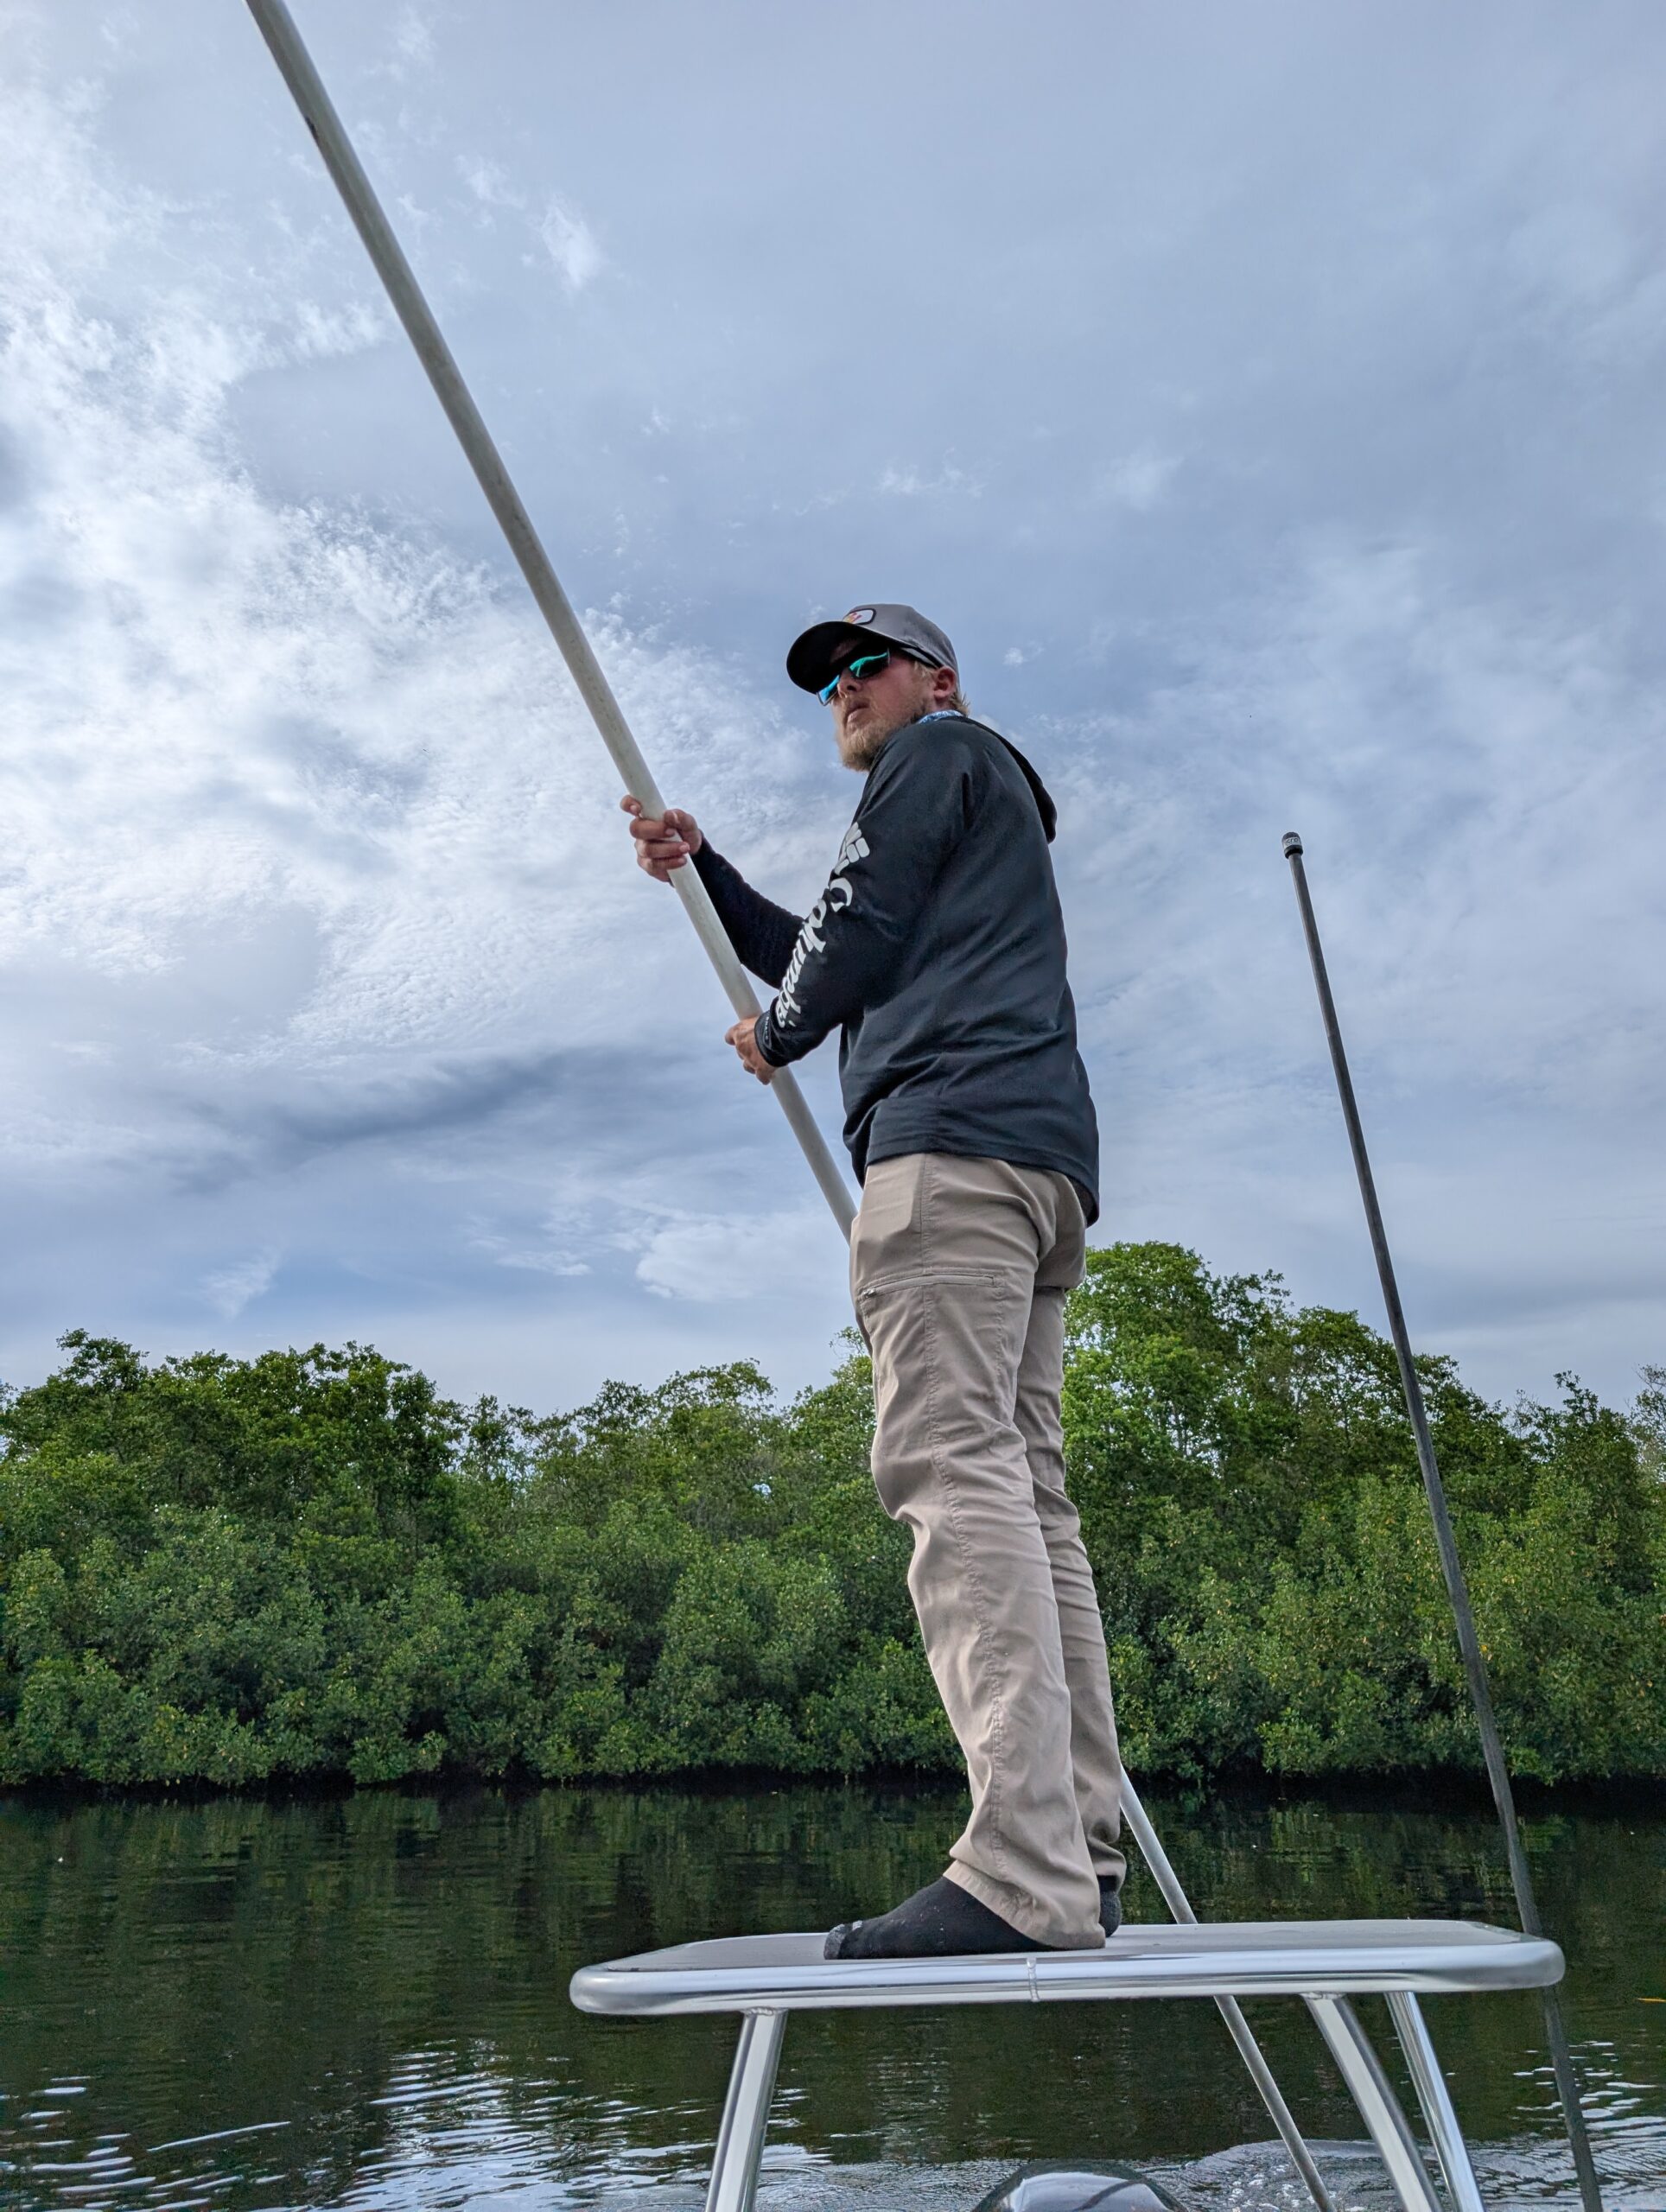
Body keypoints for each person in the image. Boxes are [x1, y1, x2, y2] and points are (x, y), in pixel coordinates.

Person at [622, 602, 1124, 1958]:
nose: (844, 690)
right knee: (1024, 1480)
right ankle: (1080, 1846)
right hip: (1036, 1165)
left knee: (950, 1469)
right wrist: (709, 876)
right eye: (829, 681)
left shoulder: (940, 756)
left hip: (949, 1154)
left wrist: (780, 1034)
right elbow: (843, 940)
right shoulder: (979, 813)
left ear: (935, 682)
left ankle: (1022, 1872)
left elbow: (843, 939)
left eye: (867, 668)